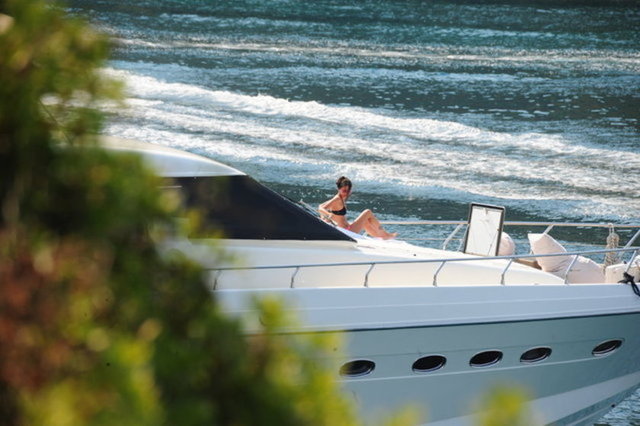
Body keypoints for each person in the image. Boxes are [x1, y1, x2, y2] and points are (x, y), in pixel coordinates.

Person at [319, 176, 397, 239]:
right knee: (367, 212)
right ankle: (385, 234)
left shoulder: (340, 198)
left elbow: (321, 205)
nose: (346, 193)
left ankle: (381, 236)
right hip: (346, 232)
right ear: (339, 189)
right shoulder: (337, 199)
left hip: (347, 228)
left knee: (366, 221)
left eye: (348, 190)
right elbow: (321, 208)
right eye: (344, 190)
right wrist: (328, 215)